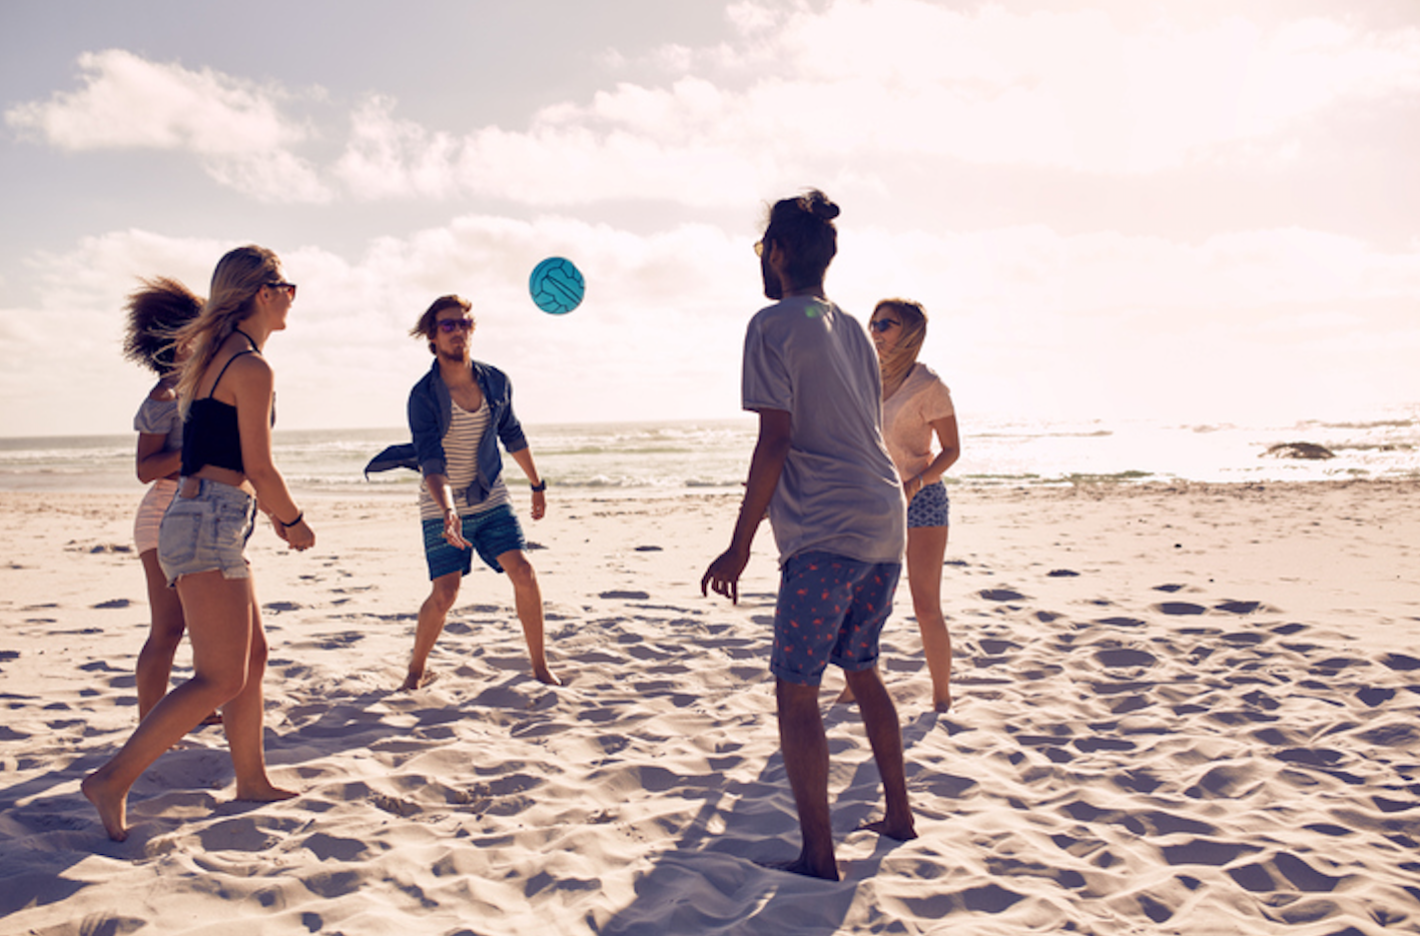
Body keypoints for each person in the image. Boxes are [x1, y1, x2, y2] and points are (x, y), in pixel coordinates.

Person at [701, 189, 916, 880]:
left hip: (826, 531)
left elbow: (776, 441)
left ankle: (819, 856)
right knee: (862, 667)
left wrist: (740, 543)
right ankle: (900, 816)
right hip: (886, 521)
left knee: (796, 687)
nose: (762, 259)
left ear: (783, 253)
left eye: (765, 247)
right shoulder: (852, 326)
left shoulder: (771, 324)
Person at [84, 245, 315, 841]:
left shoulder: (215, 360)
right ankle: (111, 779)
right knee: (217, 676)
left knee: (251, 659)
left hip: (206, 519)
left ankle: (252, 778)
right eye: (288, 285)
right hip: (209, 521)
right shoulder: (249, 367)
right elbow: (260, 469)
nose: (293, 296)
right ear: (263, 293)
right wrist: (292, 523)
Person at [366, 295, 559, 691]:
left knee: (523, 571)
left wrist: (536, 483)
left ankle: (540, 667)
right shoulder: (422, 397)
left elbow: (512, 434)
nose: (459, 332)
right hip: (442, 504)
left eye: (465, 323)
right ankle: (415, 671)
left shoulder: (496, 381)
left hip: (490, 496)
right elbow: (432, 461)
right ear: (433, 338)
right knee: (445, 594)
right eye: (448, 326)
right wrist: (448, 511)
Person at [840, 299, 959, 712]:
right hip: (873, 499)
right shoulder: (863, 378)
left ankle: (942, 696)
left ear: (909, 333)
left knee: (925, 605)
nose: (874, 331)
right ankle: (853, 686)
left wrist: (915, 483)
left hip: (922, 499)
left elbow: (951, 450)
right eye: (872, 323)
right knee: (860, 599)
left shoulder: (929, 386)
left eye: (885, 324)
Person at [121, 277, 211, 722]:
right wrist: (199, 453)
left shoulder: (201, 387)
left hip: (193, 514)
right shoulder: (164, 395)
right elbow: (145, 469)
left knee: (200, 624)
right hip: (161, 516)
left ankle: (198, 705)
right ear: (181, 341)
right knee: (168, 628)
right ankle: (148, 720)